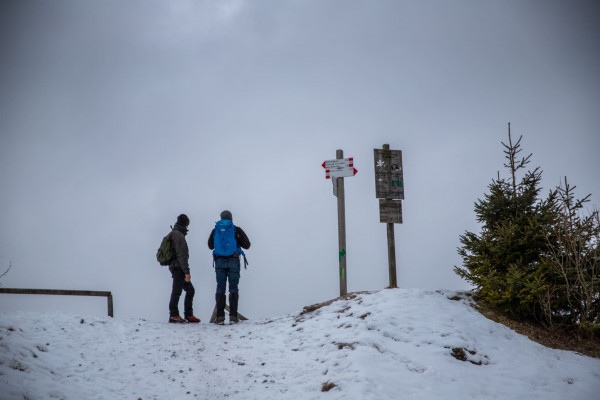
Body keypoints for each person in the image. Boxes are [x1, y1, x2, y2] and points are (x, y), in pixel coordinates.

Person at [208, 210, 251, 324]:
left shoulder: (216, 229)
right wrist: (237, 238)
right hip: (233, 260)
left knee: (220, 288)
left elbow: (210, 245)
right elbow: (247, 245)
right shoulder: (236, 229)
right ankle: (233, 316)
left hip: (219, 261)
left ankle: (220, 317)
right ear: (231, 218)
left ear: (221, 218)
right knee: (233, 288)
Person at [168, 214, 200, 323]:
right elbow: (182, 255)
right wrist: (187, 272)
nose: (187, 227)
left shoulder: (175, 233)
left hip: (176, 266)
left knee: (190, 290)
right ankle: (174, 315)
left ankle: (188, 315)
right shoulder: (179, 236)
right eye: (187, 224)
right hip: (178, 267)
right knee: (177, 291)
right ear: (185, 224)